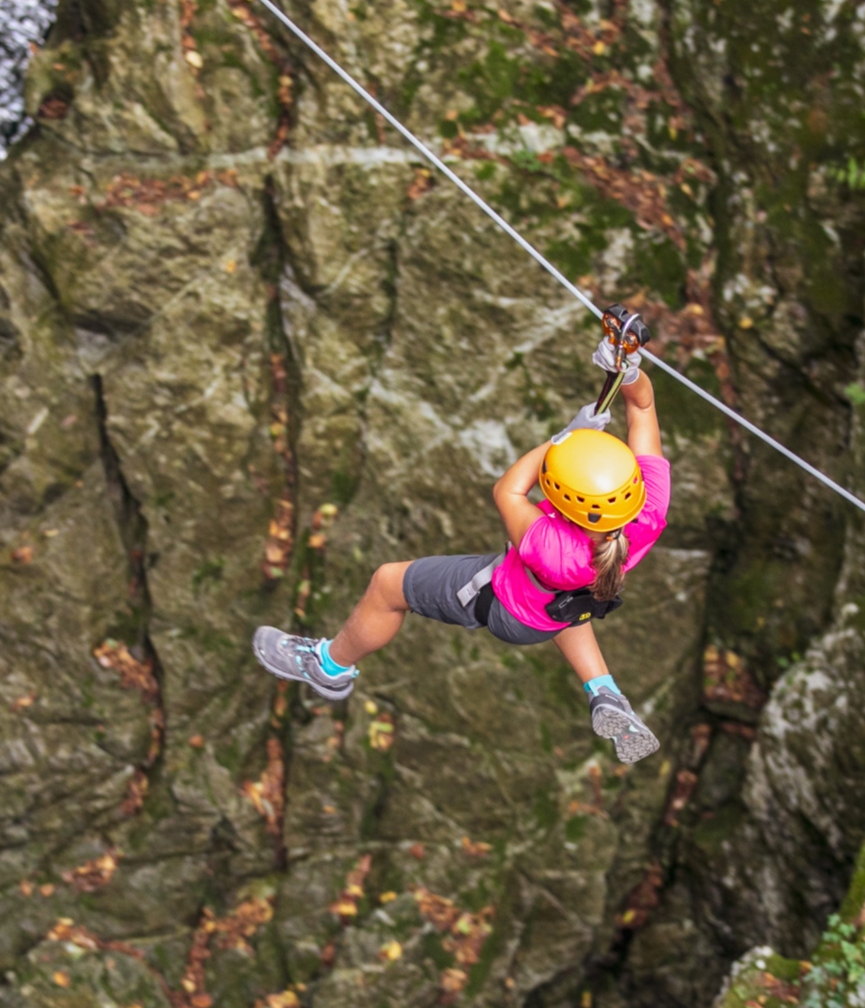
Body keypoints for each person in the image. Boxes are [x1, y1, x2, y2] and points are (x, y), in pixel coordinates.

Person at [254, 309, 668, 764]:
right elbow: (642, 407)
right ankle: (606, 693)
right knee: (564, 609)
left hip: (506, 607)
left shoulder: (549, 545)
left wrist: (563, 440)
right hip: (570, 599)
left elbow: (507, 489)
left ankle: (328, 667)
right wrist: (626, 371)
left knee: (388, 584)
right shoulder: (647, 512)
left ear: (564, 497)